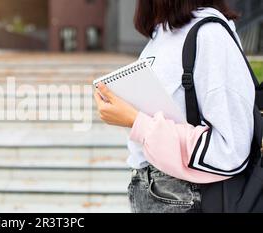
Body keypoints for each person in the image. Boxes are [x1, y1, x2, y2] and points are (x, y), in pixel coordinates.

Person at [94, 0, 255, 213]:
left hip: (189, 197)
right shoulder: (161, 34)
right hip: (151, 189)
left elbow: (231, 149)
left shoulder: (210, 34)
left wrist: (136, 122)